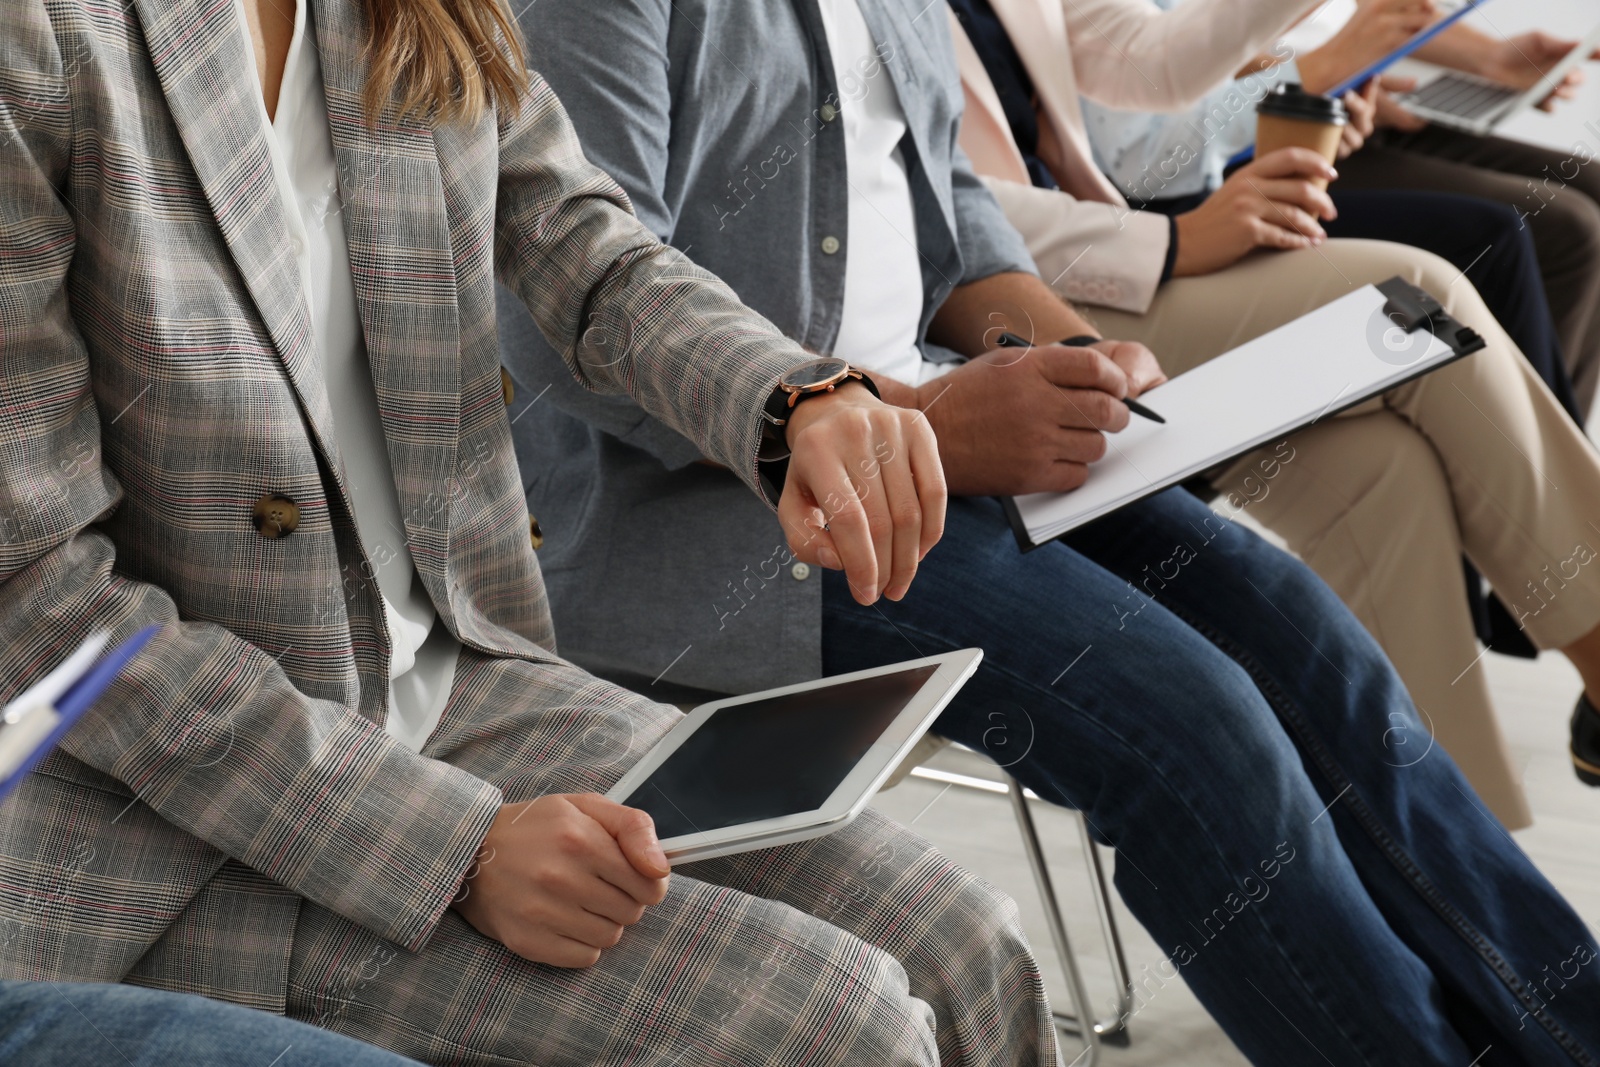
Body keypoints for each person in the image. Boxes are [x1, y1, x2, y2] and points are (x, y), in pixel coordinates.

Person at [500, 0, 1600, 1060]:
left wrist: (1068, 351)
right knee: (1193, 729)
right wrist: (922, 421)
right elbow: (575, 327)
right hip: (752, 509)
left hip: (938, 425)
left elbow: (948, 206)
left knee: (1311, 644)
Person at [0, 2, 1064, 1066]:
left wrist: (792, 402)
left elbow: (585, 248)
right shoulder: (39, 36)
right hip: (165, 823)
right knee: (835, 1025)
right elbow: (40, 602)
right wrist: (450, 846)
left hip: (455, 681)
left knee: (966, 941)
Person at [944, 0, 1600, 820]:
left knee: (1383, 472)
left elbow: (1151, 67)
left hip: (1116, 247)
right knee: (1413, 301)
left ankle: (1448, 845)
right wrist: (1171, 241)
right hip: (1012, 315)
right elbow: (938, 209)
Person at [1086, 0, 1600, 416]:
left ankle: (1561, 485)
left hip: (1339, 98)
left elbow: (1354, 16)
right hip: (1242, 151)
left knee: (1591, 193)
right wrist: (1313, 74)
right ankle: (1556, 503)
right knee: (1539, 231)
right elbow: (1146, 155)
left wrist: (1491, 57)